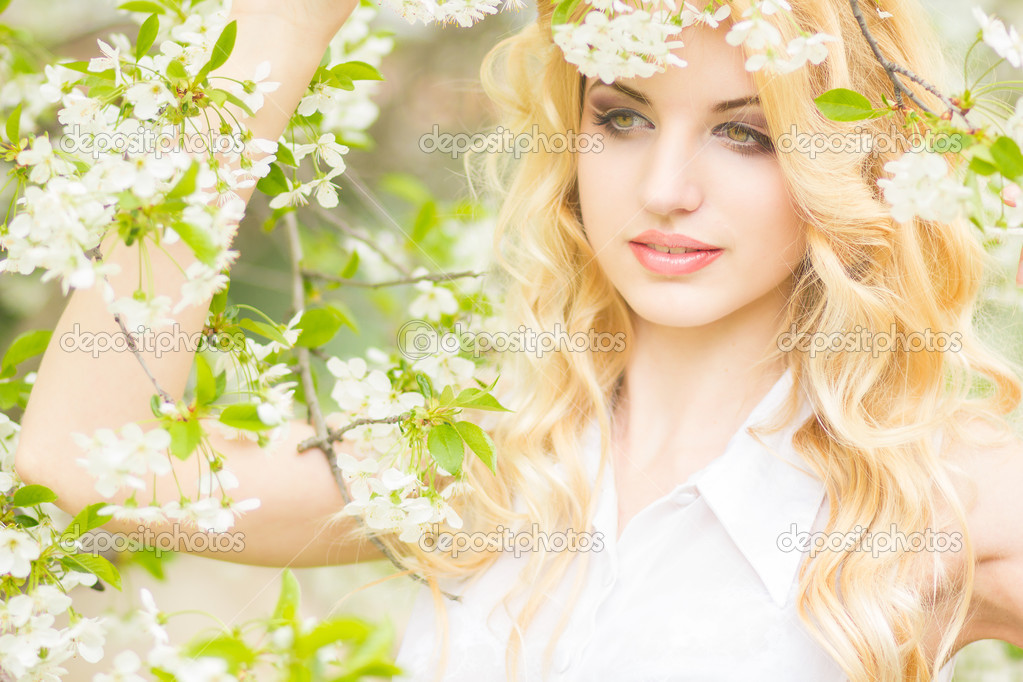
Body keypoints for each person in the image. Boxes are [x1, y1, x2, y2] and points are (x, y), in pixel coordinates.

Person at [12, 0, 1023, 680]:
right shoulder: (477, 464)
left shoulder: (934, 489)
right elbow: (83, 465)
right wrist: (278, 32)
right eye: (622, 118)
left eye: (745, 132)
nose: (667, 187)